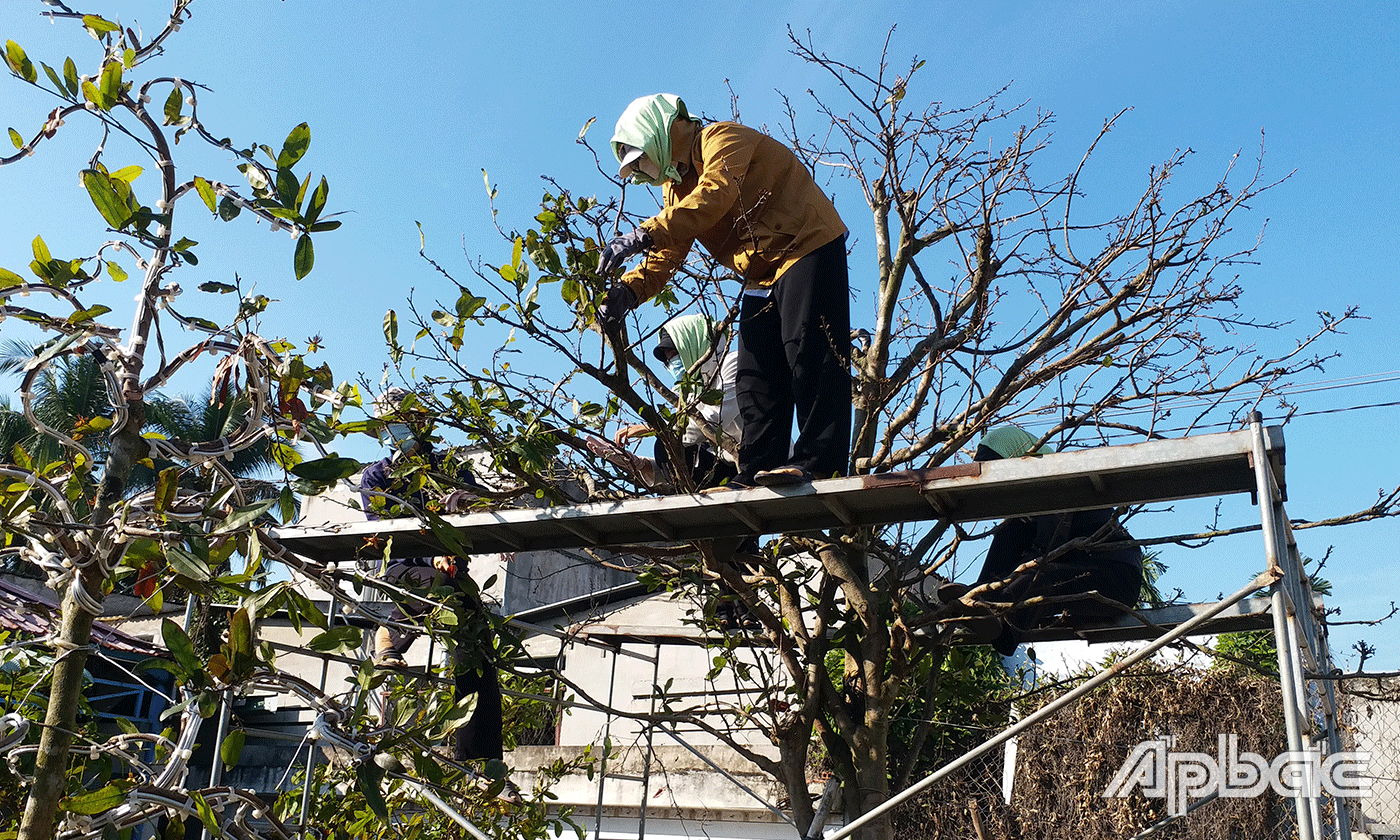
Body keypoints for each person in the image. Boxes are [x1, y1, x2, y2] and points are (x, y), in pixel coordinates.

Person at [595, 93, 851, 489]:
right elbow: (669, 251)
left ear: (655, 134)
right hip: (760, 274)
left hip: (806, 243)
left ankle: (820, 461)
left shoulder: (722, 138)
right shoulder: (675, 191)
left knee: (810, 352)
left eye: (639, 158)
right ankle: (755, 472)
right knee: (755, 375)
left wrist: (644, 232)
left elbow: (714, 194)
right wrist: (629, 290)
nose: (641, 171)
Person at [361, 388, 503, 762]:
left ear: (422, 423)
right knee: (437, 587)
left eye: (405, 422)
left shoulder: (448, 466)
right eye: (390, 425)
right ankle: (390, 631)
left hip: (453, 569)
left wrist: (465, 502)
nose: (398, 431)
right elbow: (387, 527)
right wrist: (433, 552)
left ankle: (478, 754)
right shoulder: (377, 476)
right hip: (406, 566)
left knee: (477, 652)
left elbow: (480, 503)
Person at [944, 425, 1145, 656]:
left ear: (1018, 462)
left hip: (1115, 577)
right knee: (1010, 533)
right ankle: (979, 596)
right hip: (1071, 573)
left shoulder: (1059, 487)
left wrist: (1005, 595)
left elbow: (1047, 553)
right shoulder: (1025, 516)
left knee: (1040, 574)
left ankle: (1001, 625)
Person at [588, 312, 740, 491]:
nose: (672, 362)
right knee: (665, 447)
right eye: (668, 359)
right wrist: (636, 463)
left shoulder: (733, 364)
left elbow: (712, 422)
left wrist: (653, 427)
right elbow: (683, 448)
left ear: (693, 343)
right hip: (726, 464)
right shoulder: (692, 390)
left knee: (668, 439)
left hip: (753, 459)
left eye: (674, 353)